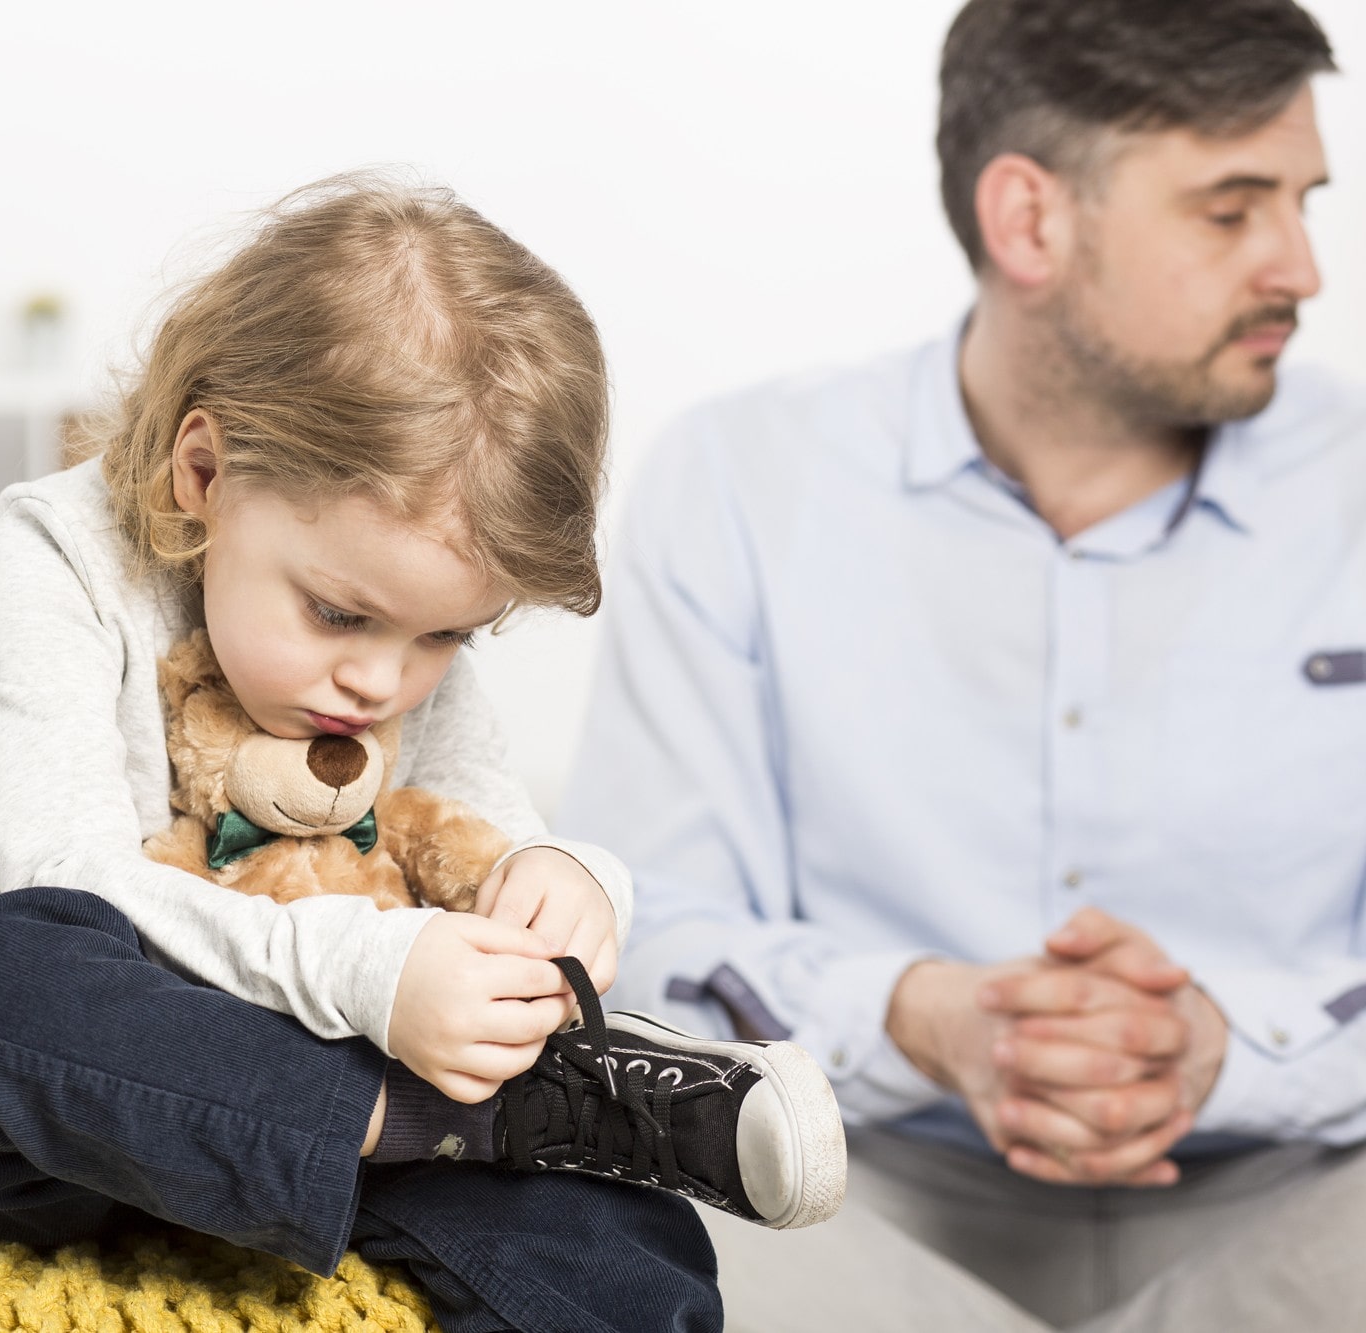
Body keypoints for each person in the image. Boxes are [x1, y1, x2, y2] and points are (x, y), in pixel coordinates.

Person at [0, 177, 848, 1333]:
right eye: (337, 616)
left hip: (331, 1108)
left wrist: (567, 884)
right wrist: (378, 977)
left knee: (616, 1245)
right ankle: (462, 1119)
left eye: (443, 635)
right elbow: (73, 889)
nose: (382, 679)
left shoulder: (394, 631)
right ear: (204, 472)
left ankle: (495, 1121)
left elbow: (477, 832)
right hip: (37, 1131)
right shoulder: (44, 564)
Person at [562, 1, 1366, 1329]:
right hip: (859, 1216)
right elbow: (650, 931)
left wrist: (1231, 1048)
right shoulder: (741, 482)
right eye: (1232, 212)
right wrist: (920, 1016)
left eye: (1304, 202)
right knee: (586, 1188)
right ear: (1030, 220)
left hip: (1297, 1209)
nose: (1301, 267)